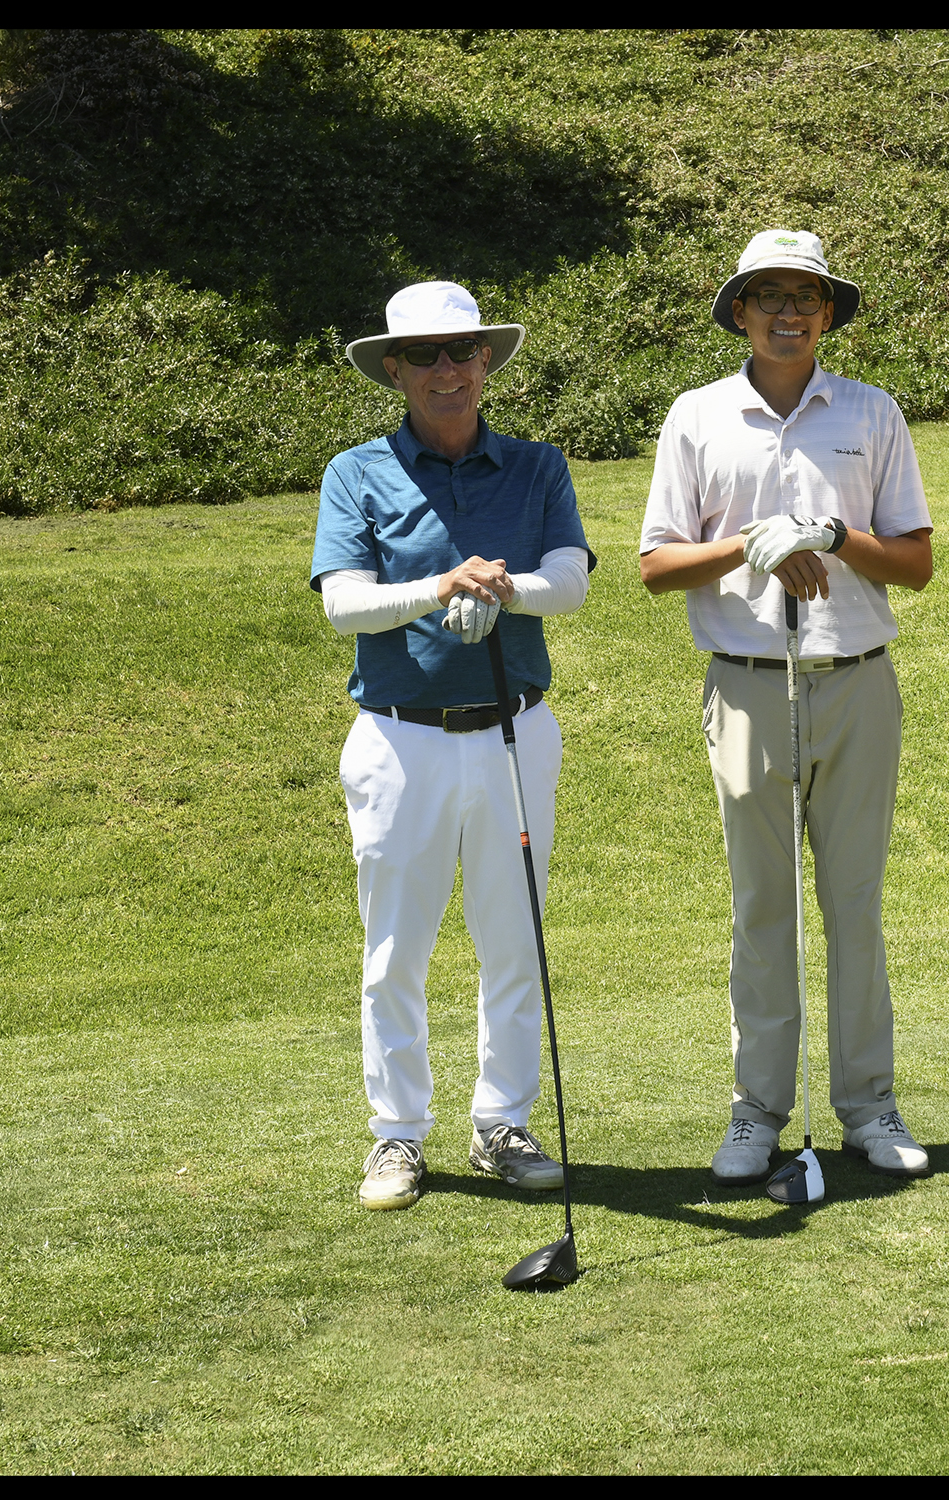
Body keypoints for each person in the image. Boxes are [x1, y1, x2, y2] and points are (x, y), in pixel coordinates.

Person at [639, 229, 936, 1186]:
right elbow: (657, 565)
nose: (788, 313)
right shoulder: (697, 415)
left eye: (805, 296)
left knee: (854, 905)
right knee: (762, 907)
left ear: (827, 313)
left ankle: (870, 1106)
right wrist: (753, 544)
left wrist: (834, 537)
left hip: (855, 679)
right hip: (747, 685)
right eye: (768, 295)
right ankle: (757, 1111)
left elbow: (916, 562)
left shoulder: (871, 411)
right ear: (740, 311)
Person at [312, 280, 595, 1211]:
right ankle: (396, 1134)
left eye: (462, 352)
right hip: (402, 741)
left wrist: (504, 590)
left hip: (514, 730)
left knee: (513, 939)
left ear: (485, 362)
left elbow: (569, 580)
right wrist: (440, 587)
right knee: (396, 949)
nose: (447, 370)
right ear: (394, 369)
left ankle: (502, 1123)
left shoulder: (536, 465)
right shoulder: (357, 472)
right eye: (424, 355)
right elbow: (344, 603)